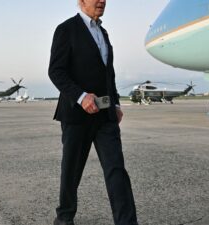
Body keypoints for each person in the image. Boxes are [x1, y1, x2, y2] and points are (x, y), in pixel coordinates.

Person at [48, 0, 138, 225]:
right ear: (81, 2)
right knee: (72, 171)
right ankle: (64, 218)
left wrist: (116, 104)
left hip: (105, 116)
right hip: (76, 116)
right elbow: (56, 71)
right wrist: (80, 97)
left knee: (116, 170)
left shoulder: (103, 33)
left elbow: (109, 73)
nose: (101, 1)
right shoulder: (66, 29)